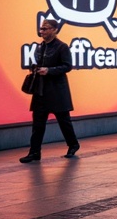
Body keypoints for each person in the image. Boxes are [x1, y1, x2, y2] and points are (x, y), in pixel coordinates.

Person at [21, 18, 80, 162]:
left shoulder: (62, 47)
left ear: (54, 30)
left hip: (57, 91)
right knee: (38, 123)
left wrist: (49, 70)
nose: (42, 31)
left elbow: (67, 66)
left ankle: (73, 144)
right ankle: (34, 152)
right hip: (41, 90)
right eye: (41, 29)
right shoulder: (40, 47)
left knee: (64, 121)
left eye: (45, 29)